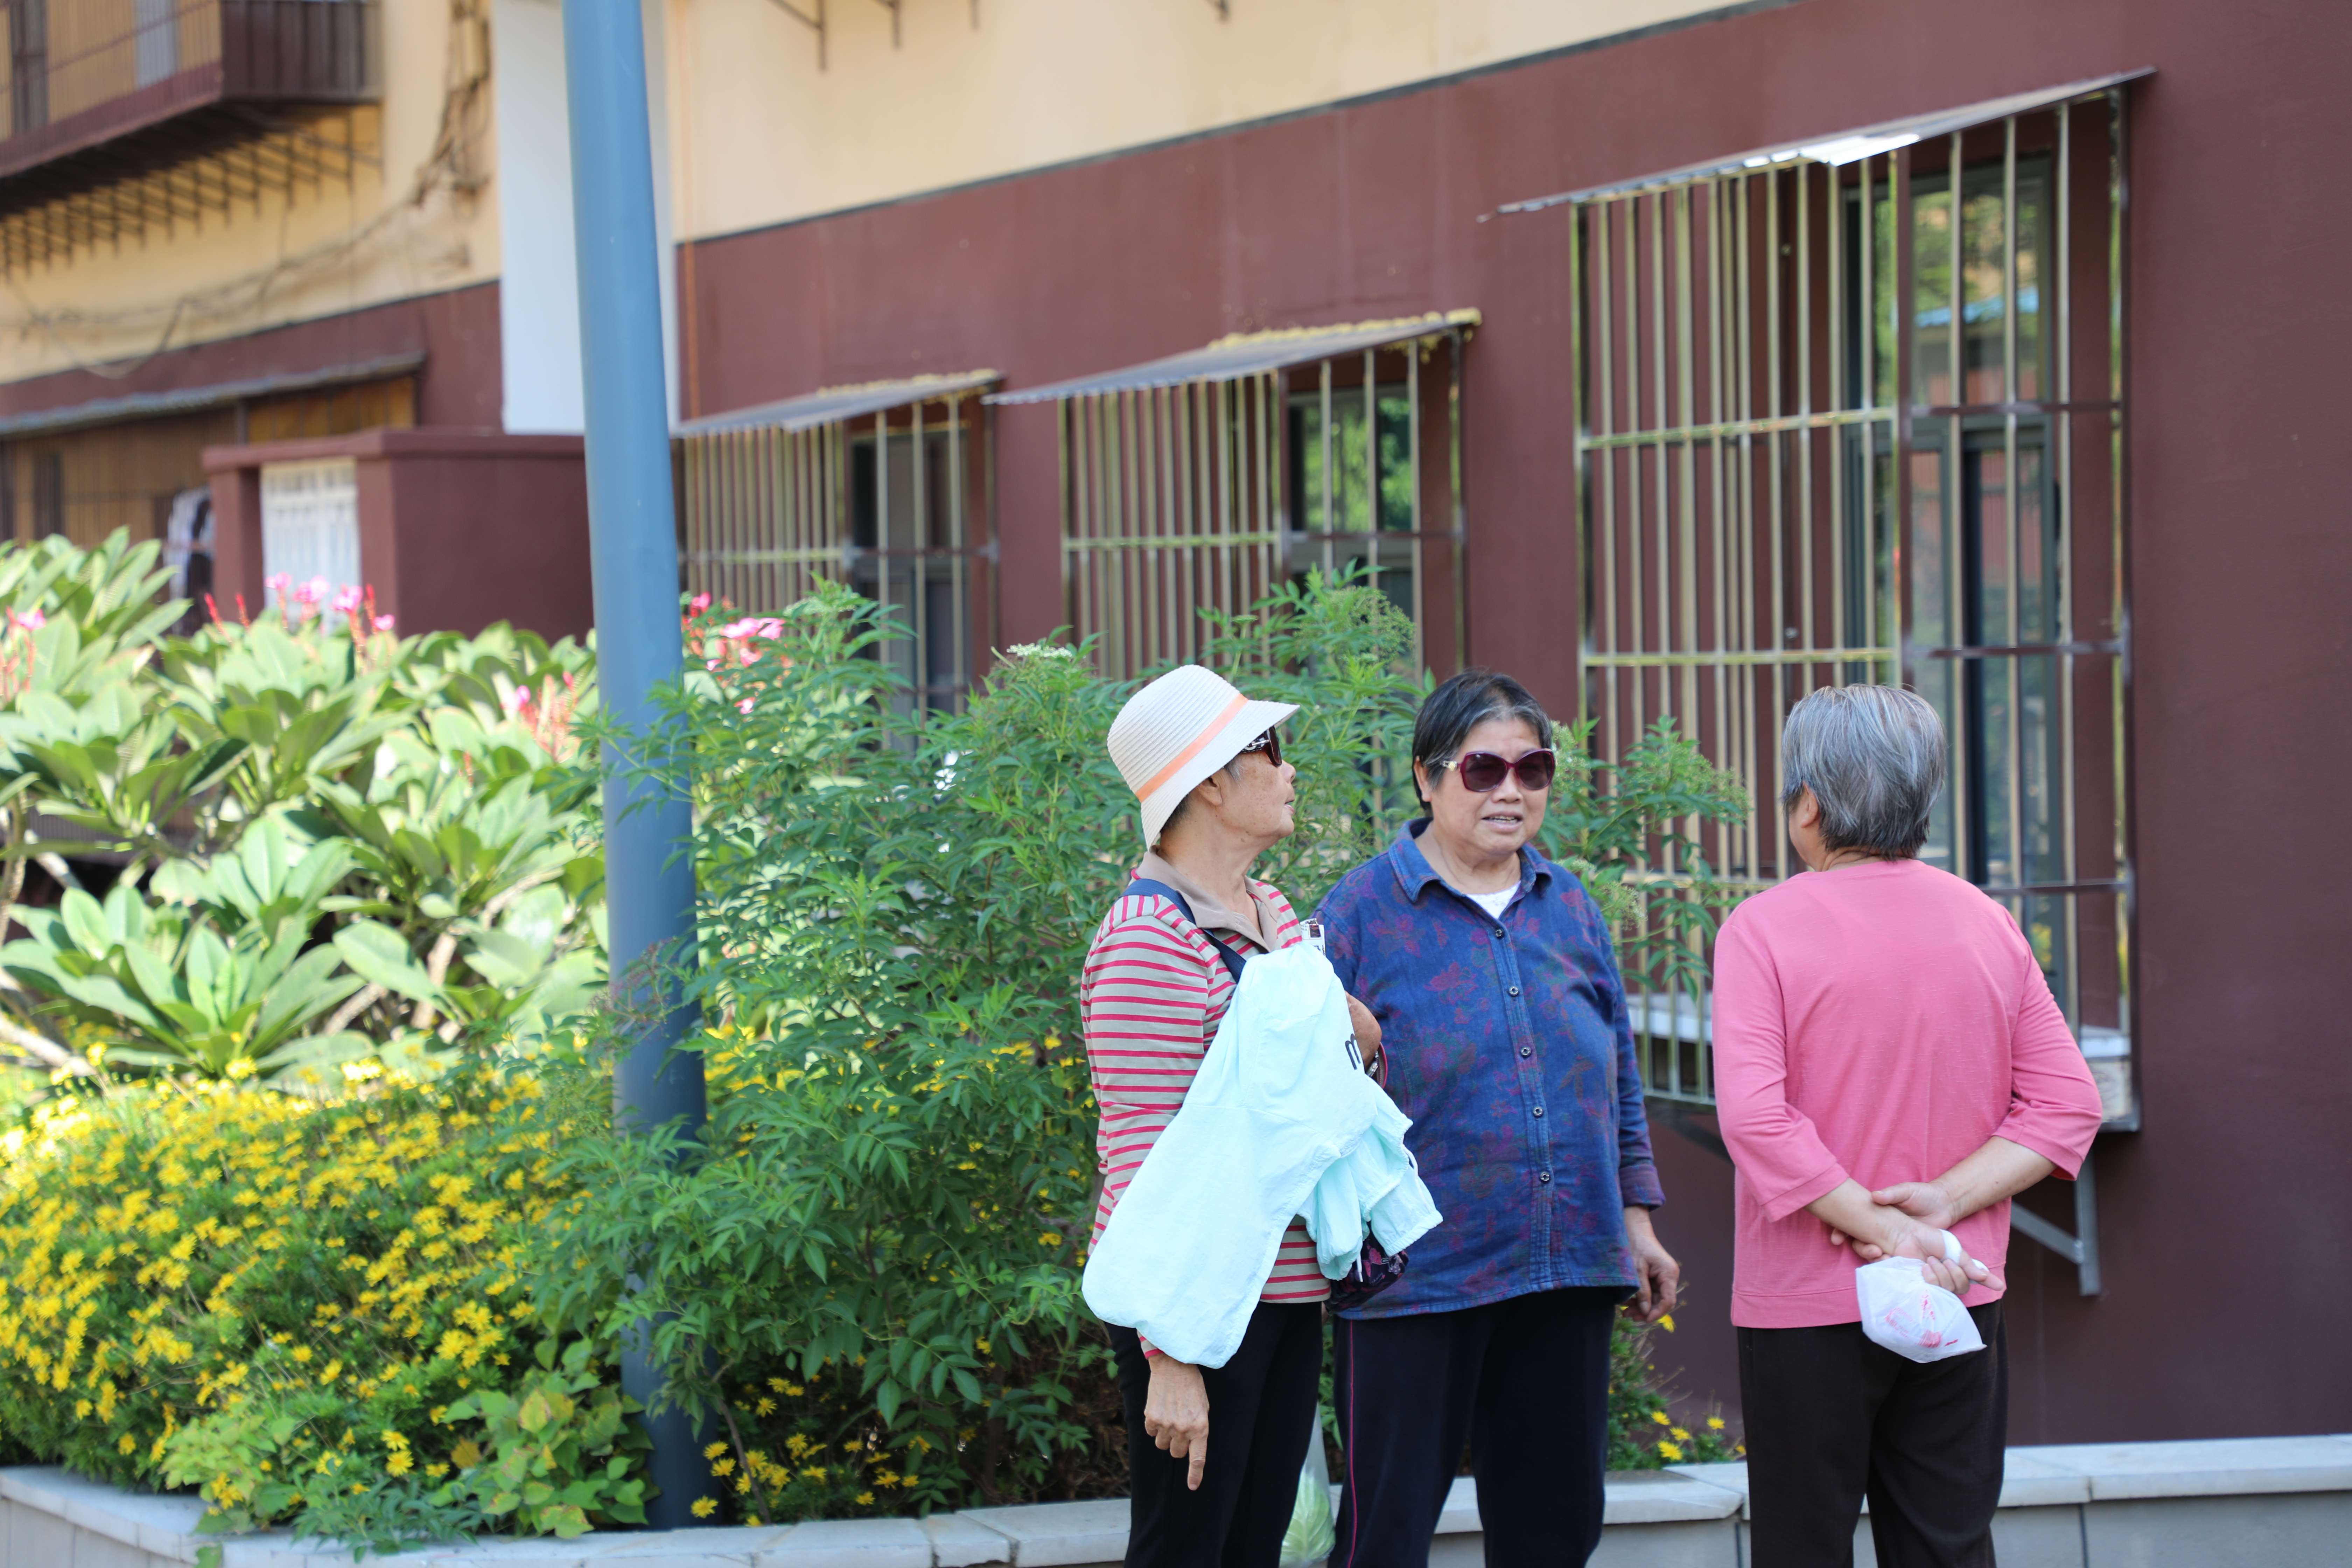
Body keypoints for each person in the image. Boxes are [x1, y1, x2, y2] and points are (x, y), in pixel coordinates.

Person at [1712, 685, 2104, 1568]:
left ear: (1807, 805)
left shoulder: (1762, 929)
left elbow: (1757, 1117)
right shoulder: (1986, 923)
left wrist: (1884, 1224)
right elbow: (2068, 1104)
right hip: (1955, 1286)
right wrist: (1940, 1209)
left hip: (1807, 1300)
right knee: (1947, 1544)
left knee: (1802, 1547)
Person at [1315, 668, 1680, 1568]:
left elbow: (1617, 1071)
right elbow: (1314, 1097)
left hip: (1565, 1265)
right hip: (1414, 1279)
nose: (1510, 790)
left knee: (1553, 1532)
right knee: (1383, 1537)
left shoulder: (1571, 905)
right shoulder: (1358, 914)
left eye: (1533, 768)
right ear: (1427, 778)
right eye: (1483, 769)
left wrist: (1636, 1217)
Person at [1082, 663, 1382, 1567]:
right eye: (1272, 753)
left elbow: (1337, 1070)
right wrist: (1169, 1359)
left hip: (1287, 1290)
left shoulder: (1273, 911)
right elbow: (1141, 1163)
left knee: (1257, 1551)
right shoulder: (1147, 938)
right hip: (1199, 1308)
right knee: (1188, 1550)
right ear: (1211, 781)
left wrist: (1355, 1036)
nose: (1292, 773)